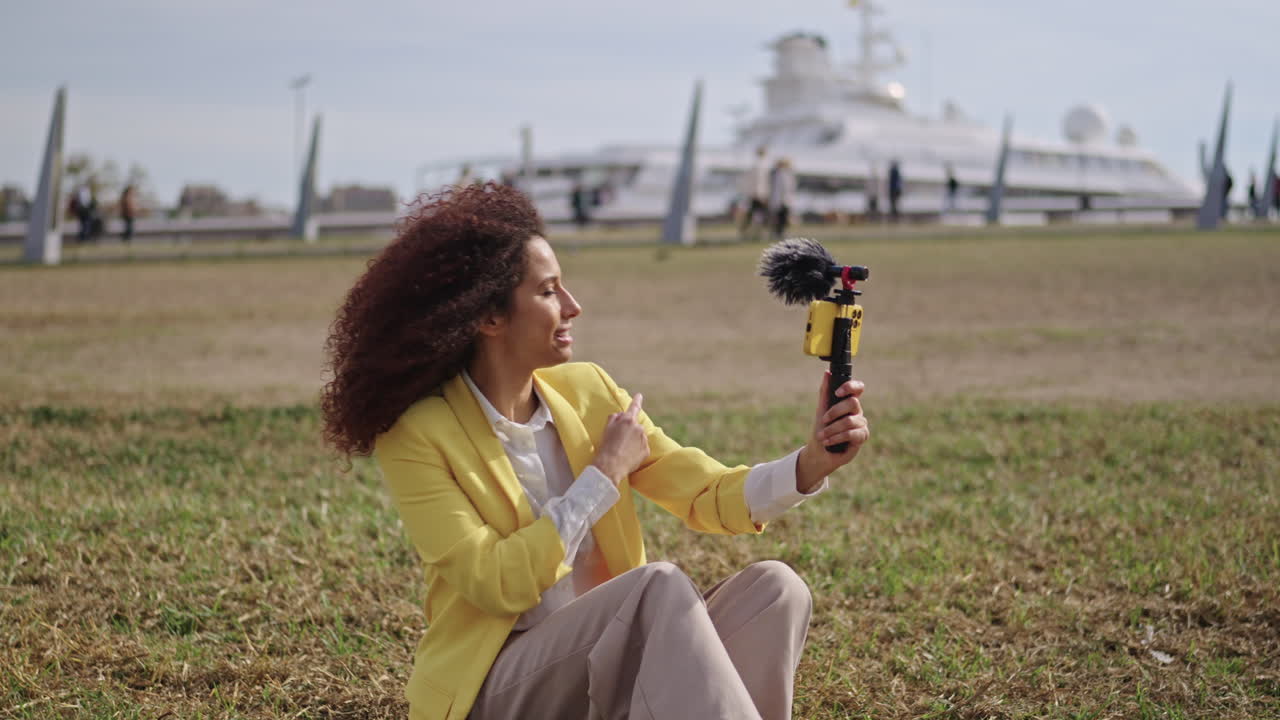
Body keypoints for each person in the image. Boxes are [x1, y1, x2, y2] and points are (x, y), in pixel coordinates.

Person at [321, 183, 870, 720]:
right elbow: (497, 583)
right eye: (548, 291)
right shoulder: (418, 435)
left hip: (608, 663)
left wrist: (810, 463)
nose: (573, 306)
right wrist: (602, 475)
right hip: (498, 687)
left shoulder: (589, 391)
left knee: (776, 590)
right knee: (655, 588)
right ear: (489, 317)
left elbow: (704, 493)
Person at [738, 146, 770, 240]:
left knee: (753, 214)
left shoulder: (758, 164)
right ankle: (757, 232)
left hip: (757, 194)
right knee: (761, 214)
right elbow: (759, 182)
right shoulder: (759, 165)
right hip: (758, 194)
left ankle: (748, 231)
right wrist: (760, 194)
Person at [769, 157, 796, 239]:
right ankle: (778, 233)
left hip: (782, 199)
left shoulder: (783, 173)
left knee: (782, 218)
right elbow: (784, 188)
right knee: (781, 218)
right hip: (782, 200)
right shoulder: (782, 174)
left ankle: (779, 232)